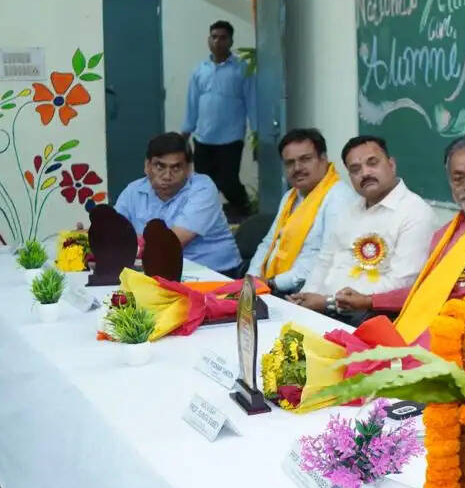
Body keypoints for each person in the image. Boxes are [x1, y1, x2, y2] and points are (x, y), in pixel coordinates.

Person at [335, 133, 465, 345]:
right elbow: (425, 294)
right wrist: (369, 300)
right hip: (428, 331)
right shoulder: (444, 235)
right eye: (458, 178)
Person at [288, 135, 435, 323]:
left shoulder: (415, 213)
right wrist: (304, 298)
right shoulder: (348, 210)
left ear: (391, 164)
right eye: (355, 169)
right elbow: (324, 262)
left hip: (367, 317)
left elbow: (401, 284)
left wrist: (329, 302)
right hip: (323, 311)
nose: (365, 173)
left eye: (372, 163)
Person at [113, 132, 242, 277]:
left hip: (214, 274)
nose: (167, 176)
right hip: (156, 273)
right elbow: (112, 234)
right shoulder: (133, 191)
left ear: (188, 169)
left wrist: (131, 240)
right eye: (160, 166)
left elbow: (171, 244)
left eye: (175, 168)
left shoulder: (203, 188)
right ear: (147, 166)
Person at [246, 128, 354, 295]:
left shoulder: (338, 198)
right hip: (271, 287)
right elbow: (269, 243)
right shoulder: (290, 196)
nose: (297, 168)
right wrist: (251, 280)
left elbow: (324, 259)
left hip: (306, 292)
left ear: (323, 159)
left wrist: (271, 283)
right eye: (290, 162)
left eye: (305, 159)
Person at [181, 19, 255, 221]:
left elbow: (252, 102)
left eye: (223, 38)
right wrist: (185, 133)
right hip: (203, 137)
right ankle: (208, 219)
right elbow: (192, 103)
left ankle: (243, 208)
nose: (217, 42)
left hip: (230, 138)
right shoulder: (200, 70)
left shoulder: (241, 69)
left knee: (228, 180)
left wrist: (256, 133)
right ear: (208, 39)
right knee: (204, 183)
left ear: (230, 41)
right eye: (214, 37)